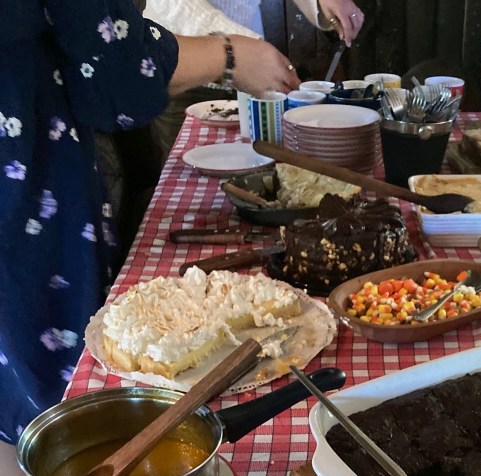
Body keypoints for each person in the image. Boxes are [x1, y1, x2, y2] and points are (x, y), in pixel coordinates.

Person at [0, 1, 303, 448]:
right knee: (61, 411)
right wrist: (231, 55)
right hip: (21, 162)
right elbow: (116, 78)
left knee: (15, 393)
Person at [144, 0, 366, 159]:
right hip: (183, 66)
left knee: (259, 171)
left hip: (252, 68)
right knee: (190, 186)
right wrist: (237, 50)